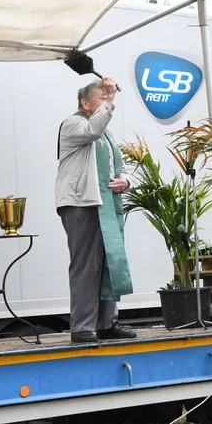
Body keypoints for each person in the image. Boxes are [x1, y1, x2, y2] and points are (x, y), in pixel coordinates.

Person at [55, 78, 137, 344]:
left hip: (104, 203)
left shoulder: (106, 132)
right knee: (86, 265)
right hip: (81, 203)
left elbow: (117, 163)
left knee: (108, 263)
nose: (106, 102)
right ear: (84, 102)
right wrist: (111, 101)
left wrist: (126, 181)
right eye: (100, 97)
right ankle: (82, 327)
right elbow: (92, 130)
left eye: (106, 97)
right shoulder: (74, 123)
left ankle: (106, 323)